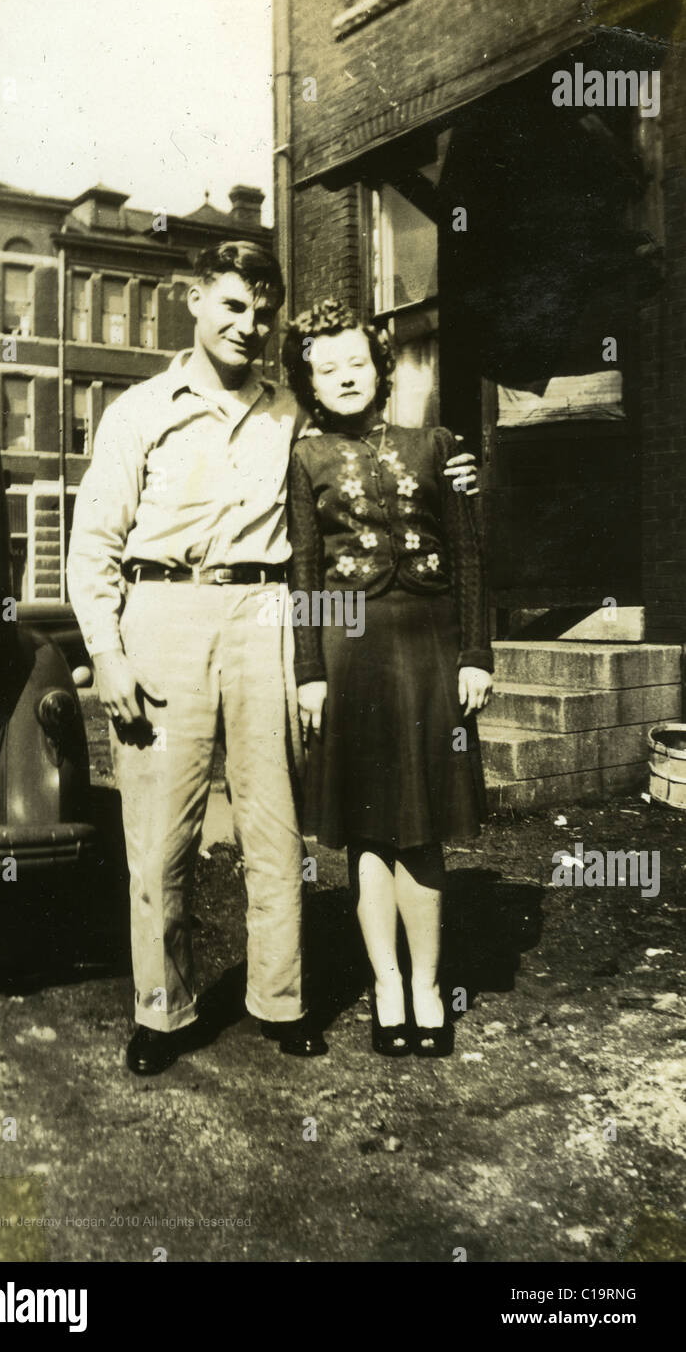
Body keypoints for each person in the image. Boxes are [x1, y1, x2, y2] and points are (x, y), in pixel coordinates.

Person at [67, 243, 478, 1076]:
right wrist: (106, 652)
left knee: (273, 819)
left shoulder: (296, 412)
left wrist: (458, 466)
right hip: (163, 613)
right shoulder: (140, 410)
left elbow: (373, 452)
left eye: (262, 313)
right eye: (231, 307)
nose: (249, 326)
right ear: (193, 301)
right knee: (159, 831)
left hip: (266, 614)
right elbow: (95, 546)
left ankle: (282, 1001)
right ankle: (162, 1009)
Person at [284, 299, 493, 1058]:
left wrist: (477, 653)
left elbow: (471, 557)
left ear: (379, 366)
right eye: (325, 367)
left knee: (424, 826)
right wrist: (309, 672)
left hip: (433, 651)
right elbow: (303, 574)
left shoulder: (438, 445)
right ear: (309, 382)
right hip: (350, 651)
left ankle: (430, 985)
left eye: (354, 362)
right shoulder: (305, 459)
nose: (343, 376)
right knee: (368, 831)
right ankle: (387, 986)